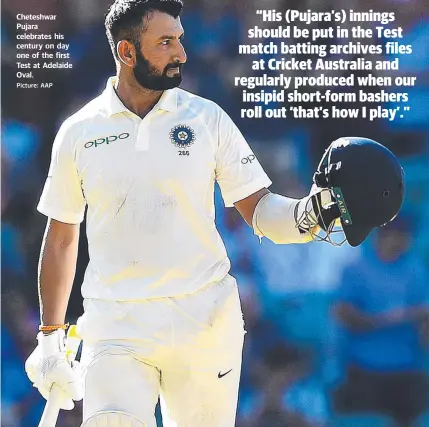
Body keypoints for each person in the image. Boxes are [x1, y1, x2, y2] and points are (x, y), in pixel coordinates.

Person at [23, 1, 403, 426]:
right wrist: (51, 337)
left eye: (180, 39)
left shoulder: (207, 119)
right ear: (127, 53)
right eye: (165, 42)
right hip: (116, 324)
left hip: (203, 322)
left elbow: (259, 210)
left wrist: (312, 212)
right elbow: (61, 238)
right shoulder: (79, 131)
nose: (181, 53)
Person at [332, 215, 429, 427]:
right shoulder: (357, 269)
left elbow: (425, 315)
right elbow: (343, 313)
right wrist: (384, 320)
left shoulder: (415, 270)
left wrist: (421, 320)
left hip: (407, 367)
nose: (395, 242)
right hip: (365, 368)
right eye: (390, 236)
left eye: (401, 237)